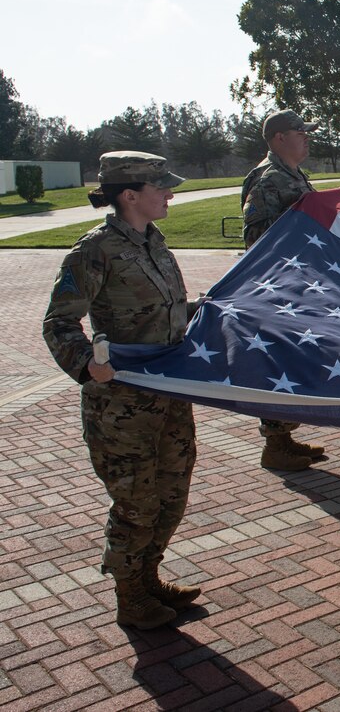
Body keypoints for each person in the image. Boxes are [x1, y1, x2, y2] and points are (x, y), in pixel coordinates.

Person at [42, 151, 201, 630]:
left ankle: (148, 577)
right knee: (137, 502)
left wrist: (204, 312)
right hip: (122, 406)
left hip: (169, 395)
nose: (170, 193)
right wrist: (87, 364)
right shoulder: (94, 251)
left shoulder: (154, 242)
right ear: (130, 195)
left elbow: (164, 314)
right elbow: (59, 320)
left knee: (173, 493)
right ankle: (130, 596)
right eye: (161, 187)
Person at [240, 109, 324, 472]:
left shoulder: (294, 175)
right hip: (276, 290)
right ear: (278, 138)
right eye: (299, 131)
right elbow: (255, 238)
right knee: (277, 361)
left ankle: (285, 436)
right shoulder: (266, 179)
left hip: (299, 285)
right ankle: (275, 442)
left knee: (292, 359)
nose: (306, 137)